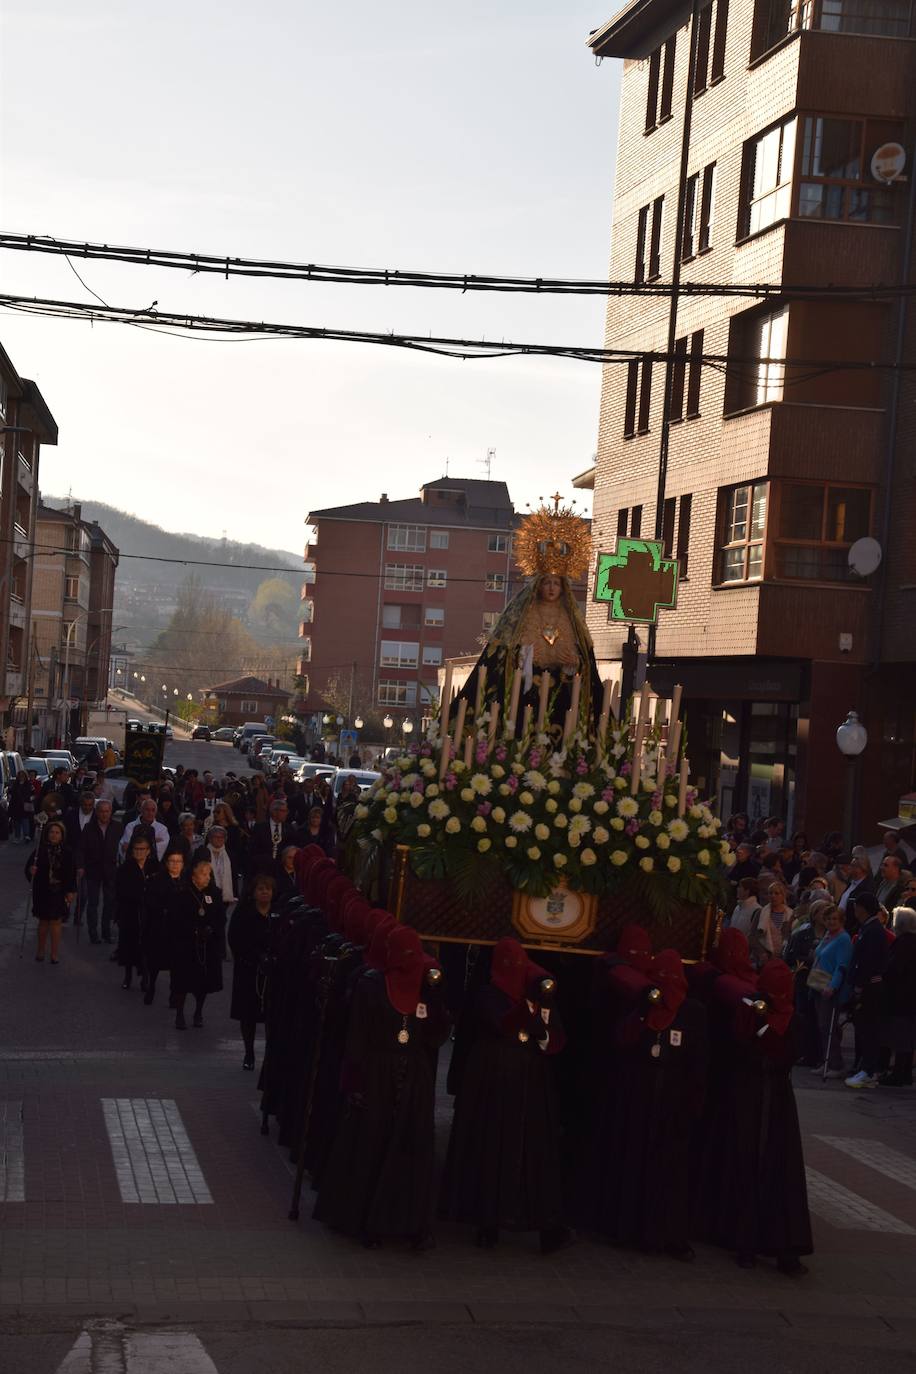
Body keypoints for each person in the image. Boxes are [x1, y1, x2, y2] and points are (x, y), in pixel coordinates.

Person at [314, 925, 450, 1248]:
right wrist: (355, 1080)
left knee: (410, 1144)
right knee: (372, 1144)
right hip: (377, 1074)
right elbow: (357, 1035)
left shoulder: (425, 983)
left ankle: (407, 1222)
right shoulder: (372, 985)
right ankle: (366, 1220)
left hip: (412, 1075)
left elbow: (436, 1034)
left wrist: (434, 1000)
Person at [440, 937, 570, 1253]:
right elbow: (502, 1025)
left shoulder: (537, 993)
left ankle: (544, 1223)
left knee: (534, 1151)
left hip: (530, 1081)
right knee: (493, 1147)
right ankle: (489, 1220)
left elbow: (555, 1039)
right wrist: (530, 1010)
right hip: (496, 1079)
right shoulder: (487, 994)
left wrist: (541, 1019)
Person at [586, 948, 707, 1259]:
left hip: (672, 1100)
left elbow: (698, 1059)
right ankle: (628, 1228)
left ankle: (667, 1234)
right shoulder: (639, 1004)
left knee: (669, 1169)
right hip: (639, 1096)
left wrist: (693, 1101)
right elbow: (622, 1041)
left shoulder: (691, 1012)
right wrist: (641, 1011)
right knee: (633, 1160)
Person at [699, 958, 812, 1275]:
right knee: (752, 1163)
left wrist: (765, 1031)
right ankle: (747, 1242)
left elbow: (787, 1054)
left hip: (769, 1099)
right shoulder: (751, 1013)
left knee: (770, 1168)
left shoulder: (791, 1020)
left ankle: (768, 1245)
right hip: (757, 1098)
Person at [170, 856, 226, 1030]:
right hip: (186, 944)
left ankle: (198, 1011)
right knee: (182, 980)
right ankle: (179, 1013)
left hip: (207, 944)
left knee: (203, 981)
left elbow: (220, 916)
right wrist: (192, 930)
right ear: (194, 875)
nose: (207, 877)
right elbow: (175, 918)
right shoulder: (183, 892)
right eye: (203, 874)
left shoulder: (214, 893)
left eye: (209, 874)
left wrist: (211, 928)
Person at [228, 875, 277, 1071]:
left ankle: (269, 1054)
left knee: (270, 1013)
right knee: (248, 1014)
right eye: (261, 889)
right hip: (248, 970)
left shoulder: (277, 914)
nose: (265, 892)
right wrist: (252, 956)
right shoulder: (244, 913)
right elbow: (235, 938)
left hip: (271, 971)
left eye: (268, 889)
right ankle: (249, 1052)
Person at [845, 892, 890, 1089]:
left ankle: (870, 1070)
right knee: (865, 1030)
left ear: (862, 908)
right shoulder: (868, 929)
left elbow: (868, 962)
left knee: (869, 1029)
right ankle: (867, 1067)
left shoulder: (873, 931)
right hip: (867, 986)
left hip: (870, 988)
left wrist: (859, 985)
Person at [807, 905, 853, 1076]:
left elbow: (842, 966)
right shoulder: (828, 936)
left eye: (835, 919)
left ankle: (835, 1064)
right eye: (828, 919)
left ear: (841, 921)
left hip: (829, 987)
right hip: (818, 985)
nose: (831, 922)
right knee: (823, 1026)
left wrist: (832, 987)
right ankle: (826, 1061)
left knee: (828, 1026)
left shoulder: (843, 939)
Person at [25, 819, 77, 965]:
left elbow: (71, 873)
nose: (54, 835)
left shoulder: (67, 852)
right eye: (51, 832)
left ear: (62, 835)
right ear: (47, 834)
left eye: (57, 833)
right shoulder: (39, 851)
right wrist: (31, 871)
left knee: (56, 922)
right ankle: (40, 950)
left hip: (59, 891)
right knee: (43, 922)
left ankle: (54, 953)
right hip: (42, 890)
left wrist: (71, 891)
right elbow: (29, 868)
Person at [877, 907, 916, 1087]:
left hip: (901, 999)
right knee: (907, 1038)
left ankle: (899, 1073)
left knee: (901, 1036)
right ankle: (905, 1072)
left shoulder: (903, 944)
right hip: (909, 999)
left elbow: (894, 970)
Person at [142, 850, 184, 1005]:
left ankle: (174, 992)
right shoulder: (157, 880)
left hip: (178, 930)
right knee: (155, 961)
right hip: (160, 927)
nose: (175, 864)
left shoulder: (185, 881)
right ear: (166, 863)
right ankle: (151, 985)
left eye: (178, 861)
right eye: (172, 861)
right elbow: (150, 902)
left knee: (176, 963)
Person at [115, 832, 156, 989]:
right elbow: (120, 890)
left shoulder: (154, 866)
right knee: (128, 944)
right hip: (130, 912)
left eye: (142, 849)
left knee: (147, 946)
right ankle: (128, 975)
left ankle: (145, 975)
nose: (139, 852)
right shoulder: (125, 868)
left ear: (148, 850)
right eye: (136, 849)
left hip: (149, 912)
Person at [248, 799, 296, 878]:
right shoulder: (260, 828)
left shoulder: (289, 829)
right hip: (263, 870)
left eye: (286, 811)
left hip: (282, 871)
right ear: (274, 812)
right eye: (283, 811)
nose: (286, 814)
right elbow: (253, 850)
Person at [120, 798, 169, 864]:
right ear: (141, 810)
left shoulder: (162, 829)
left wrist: (134, 843)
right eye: (147, 810)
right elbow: (125, 847)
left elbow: (162, 848)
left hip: (153, 865)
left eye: (153, 810)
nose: (150, 813)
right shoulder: (130, 826)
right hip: (132, 864)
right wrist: (153, 840)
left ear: (156, 812)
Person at [9, 769, 36, 844]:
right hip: (16, 805)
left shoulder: (29, 784)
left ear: (25, 776)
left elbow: (33, 794)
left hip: (25, 805)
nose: (21, 777)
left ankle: (26, 835)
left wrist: (30, 799)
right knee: (17, 822)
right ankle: (17, 837)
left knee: (25, 821)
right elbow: (10, 793)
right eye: (20, 776)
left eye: (23, 776)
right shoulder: (15, 784)